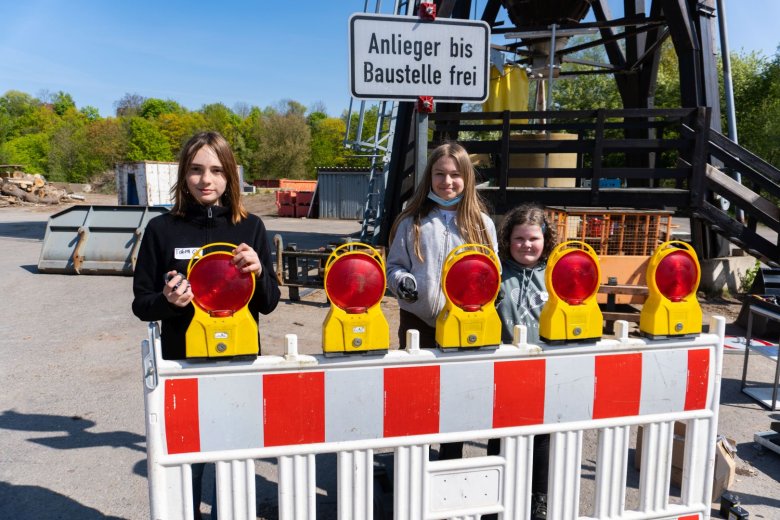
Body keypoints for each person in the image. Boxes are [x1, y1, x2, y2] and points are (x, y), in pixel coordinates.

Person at [132, 131, 280, 519]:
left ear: (230, 176)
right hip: (183, 365)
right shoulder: (162, 229)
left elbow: (269, 303)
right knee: (188, 461)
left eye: (216, 170)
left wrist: (261, 271)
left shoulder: (251, 228)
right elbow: (141, 304)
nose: (206, 180)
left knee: (235, 459)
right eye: (196, 170)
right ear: (184, 175)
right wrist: (167, 301)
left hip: (240, 363)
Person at [386, 141, 497, 460]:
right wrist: (401, 282)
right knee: (416, 396)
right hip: (418, 323)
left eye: (455, 175)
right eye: (440, 174)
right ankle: (411, 458)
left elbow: (494, 269)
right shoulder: (412, 221)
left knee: (458, 398)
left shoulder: (481, 224)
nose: (447, 182)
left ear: (467, 179)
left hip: (465, 325)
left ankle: (451, 458)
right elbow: (395, 266)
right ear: (429, 177)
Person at [490, 203, 556, 520]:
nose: (526, 245)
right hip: (503, 367)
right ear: (507, 240)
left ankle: (538, 498)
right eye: (519, 239)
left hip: (543, 366)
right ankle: (495, 493)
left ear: (544, 239)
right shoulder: (497, 273)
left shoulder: (556, 275)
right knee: (499, 432)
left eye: (533, 238)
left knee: (542, 437)